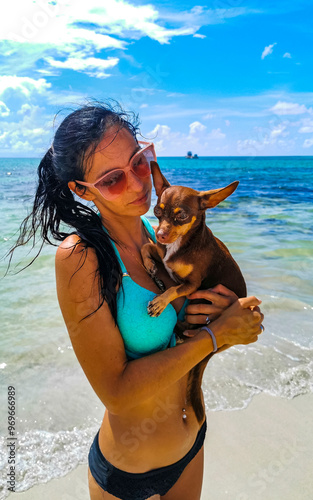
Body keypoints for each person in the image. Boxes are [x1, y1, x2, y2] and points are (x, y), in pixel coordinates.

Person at [9, 101, 264, 500]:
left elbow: (206, 324)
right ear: (81, 190)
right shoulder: (82, 257)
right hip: (129, 475)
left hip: (193, 444)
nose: (136, 184)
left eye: (140, 163)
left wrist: (233, 322)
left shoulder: (161, 237)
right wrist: (213, 338)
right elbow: (117, 391)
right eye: (112, 179)